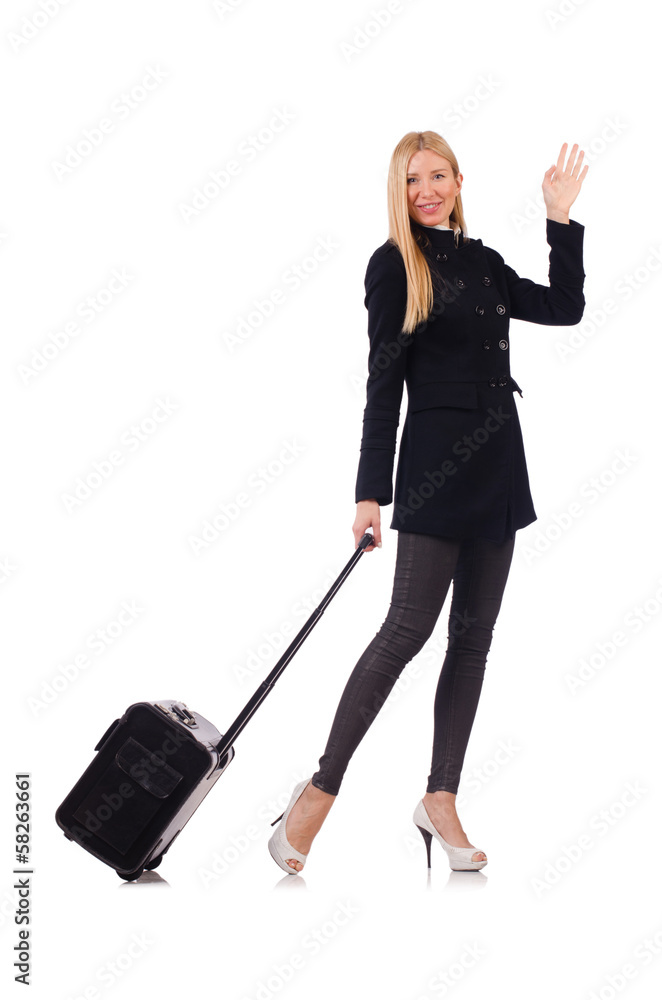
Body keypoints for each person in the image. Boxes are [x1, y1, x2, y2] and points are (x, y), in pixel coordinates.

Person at [268, 131, 588, 874]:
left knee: (472, 642)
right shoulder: (393, 265)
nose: (428, 191)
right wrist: (369, 492)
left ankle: (440, 797)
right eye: (413, 180)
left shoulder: (484, 262)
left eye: (438, 176)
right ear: (399, 190)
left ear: (459, 181)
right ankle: (319, 790)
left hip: (499, 468)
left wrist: (560, 221)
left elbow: (565, 308)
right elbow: (383, 385)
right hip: (435, 473)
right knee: (404, 632)